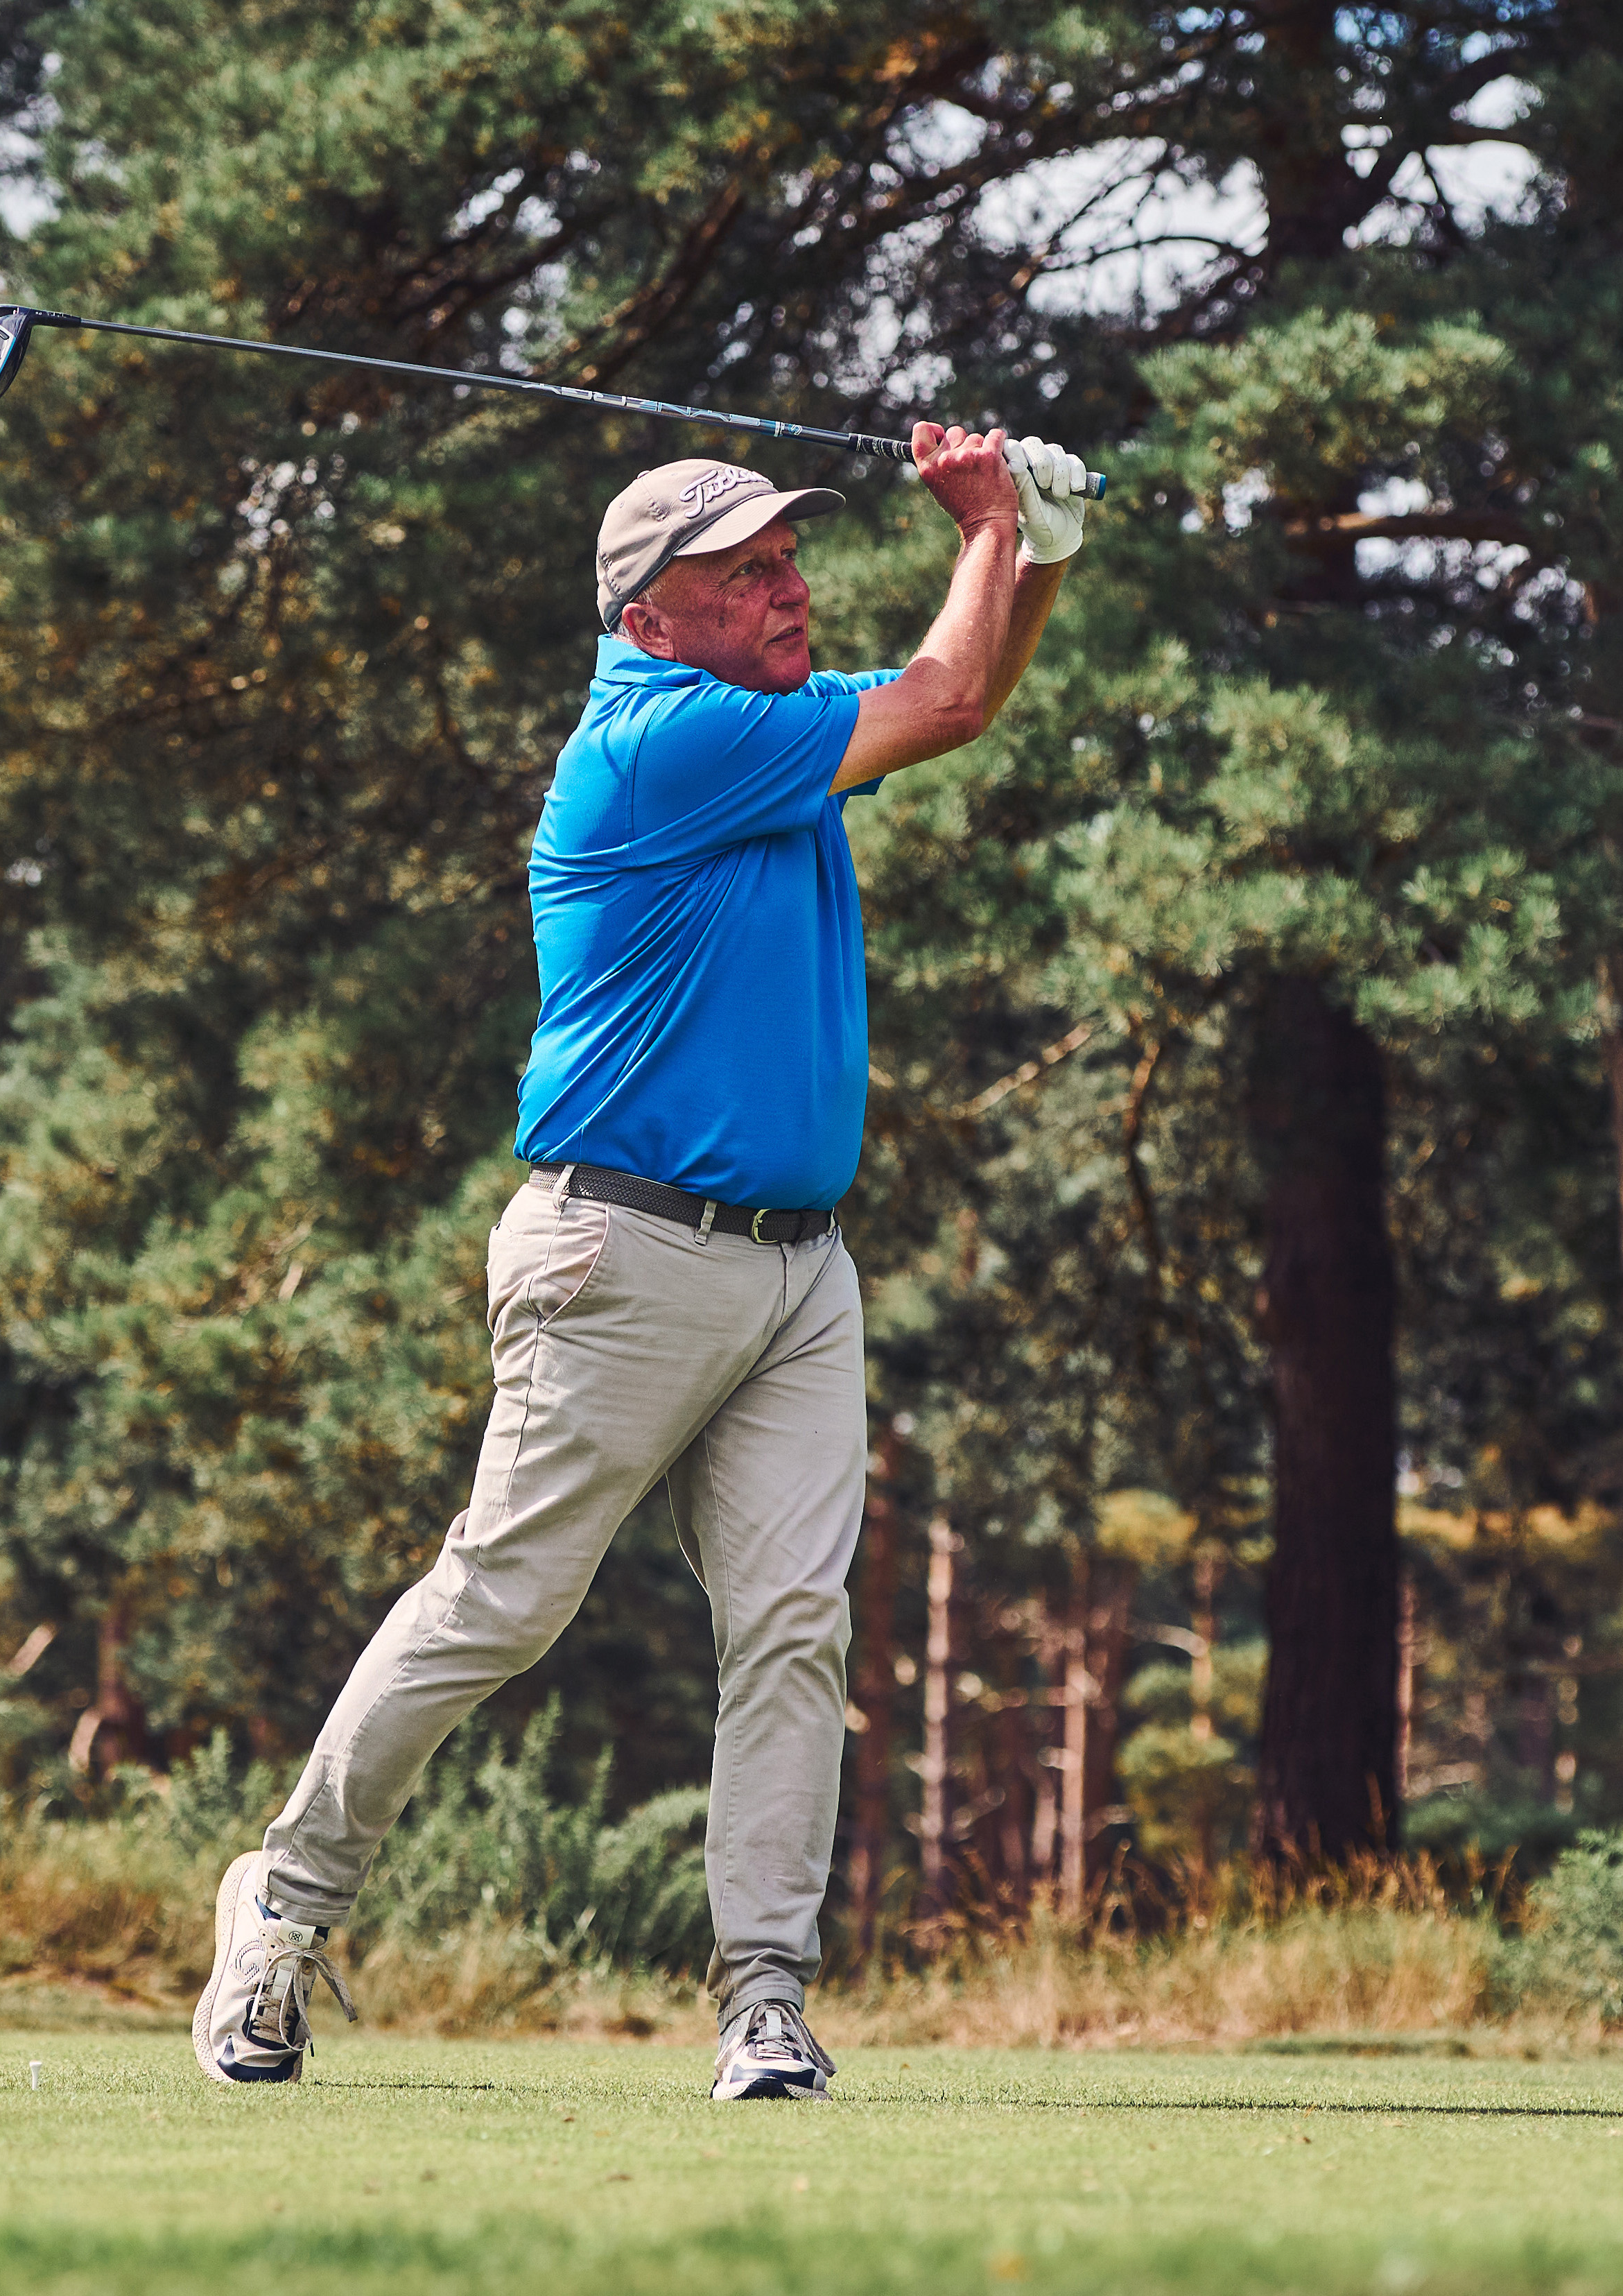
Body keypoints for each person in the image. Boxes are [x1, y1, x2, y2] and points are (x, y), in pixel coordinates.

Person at [191, 421, 1090, 2099]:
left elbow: (955, 700)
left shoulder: (763, 734)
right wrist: (985, 529)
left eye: (789, 560)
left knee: (796, 1628)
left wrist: (1031, 555)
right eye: (745, 572)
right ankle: (283, 1910)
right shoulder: (661, 744)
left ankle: (764, 1998)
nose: (788, 589)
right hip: (623, 1253)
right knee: (502, 1603)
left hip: (797, 1272)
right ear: (651, 615)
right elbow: (949, 698)